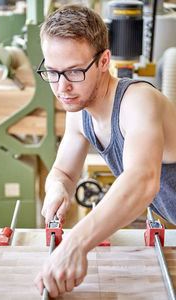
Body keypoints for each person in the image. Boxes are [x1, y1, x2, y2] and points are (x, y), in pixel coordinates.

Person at [34, 4, 176, 298]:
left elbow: (142, 181)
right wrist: (58, 188)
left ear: (103, 61)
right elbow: (62, 172)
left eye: (74, 71)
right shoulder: (79, 112)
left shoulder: (138, 102)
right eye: (52, 71)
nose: (62, 87)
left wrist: (76, 243)